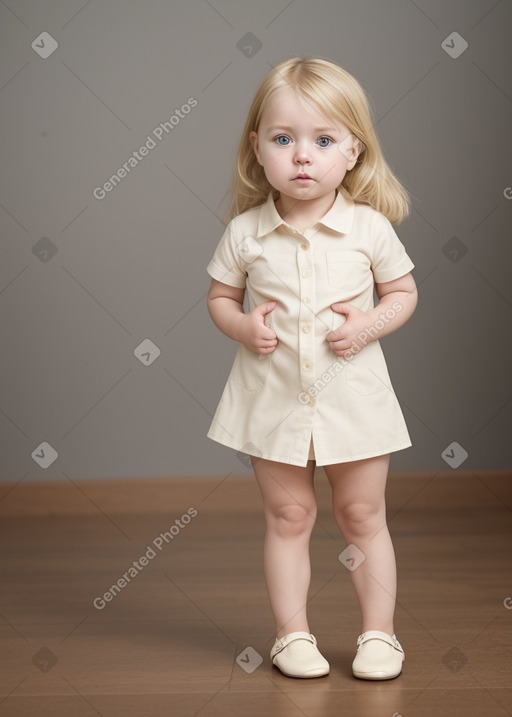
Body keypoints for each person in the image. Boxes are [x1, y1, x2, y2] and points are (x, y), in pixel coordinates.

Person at [206, 57, 417, 680]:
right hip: (272, 396)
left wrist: (367, 325)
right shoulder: (246, 233)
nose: (303, 157)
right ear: (257, 149)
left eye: (323, 141)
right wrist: (244, 325)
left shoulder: (368, 228)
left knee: (362, 514)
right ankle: (292, 635)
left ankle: (379, 635)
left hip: (353, 397)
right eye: (283, 140)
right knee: (289, 515)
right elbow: (220, 299)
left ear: (353, 150)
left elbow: (403, 295)